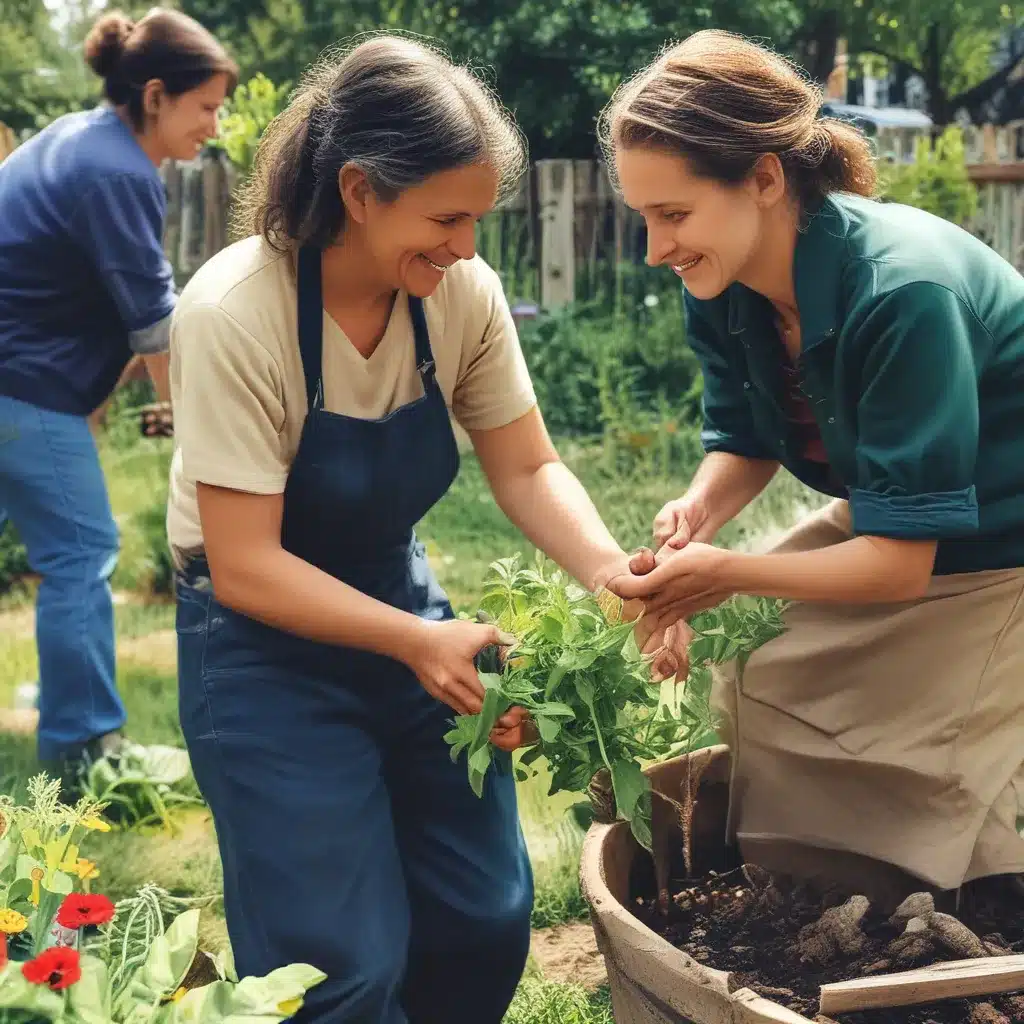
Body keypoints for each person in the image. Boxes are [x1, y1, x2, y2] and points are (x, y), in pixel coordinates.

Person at [167, 34, 687, 1024]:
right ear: (359, 192)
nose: (466, 247)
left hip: (403, 607)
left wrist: (611, 574)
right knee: (339, 967)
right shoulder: (237, 314)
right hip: (260, 649)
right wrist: (414, 640)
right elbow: (242, 565)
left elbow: (529, 465)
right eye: (446, 218)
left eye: (477, 219)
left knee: (485, 915)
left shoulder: (458, 296)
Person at [600, 29, 1024, 908]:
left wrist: (725, 575)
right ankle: (817, 883)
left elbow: (901, 566)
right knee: (760, 662)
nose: (654, 248)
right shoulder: (725, 284)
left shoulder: (902, 293)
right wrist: (698, 516)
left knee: (884, 720)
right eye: (644, 217)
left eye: (672, 214)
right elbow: (747, 442)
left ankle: (950, 892)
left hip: (1001, 534)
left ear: (763, 178)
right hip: (904, 517)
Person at [0, 8, 236, 783]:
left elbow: (72, 296)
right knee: (82, 552)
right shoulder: (116, 170)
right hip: (20, 388)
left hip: (23, 382)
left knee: (68, 552)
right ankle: (82, 748)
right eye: (205, 105)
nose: (215, 122)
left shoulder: (78, 138)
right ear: (158, 95)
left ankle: (67, 700)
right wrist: (204, 442)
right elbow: (154, 325)